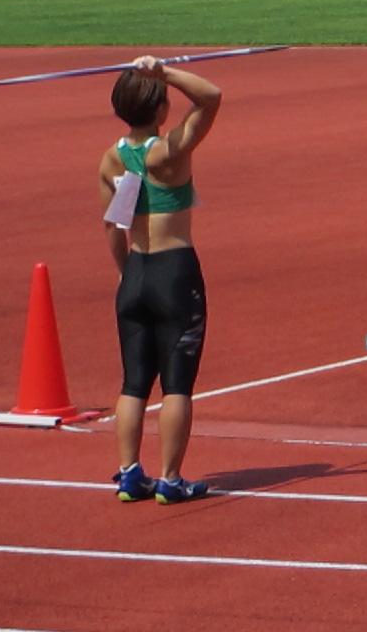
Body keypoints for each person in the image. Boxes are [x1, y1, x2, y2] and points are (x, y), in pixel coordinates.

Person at [98, 54, 223, 505]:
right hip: (175, 274)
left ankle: (130, 473)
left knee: (133, 383)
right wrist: (165, 71)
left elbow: (111, 227)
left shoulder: (111, 159)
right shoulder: (169, 152)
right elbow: (211, 97)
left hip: (135, 274)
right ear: (159, 109)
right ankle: (170, 478)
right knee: (176, 385)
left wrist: (125, 277)